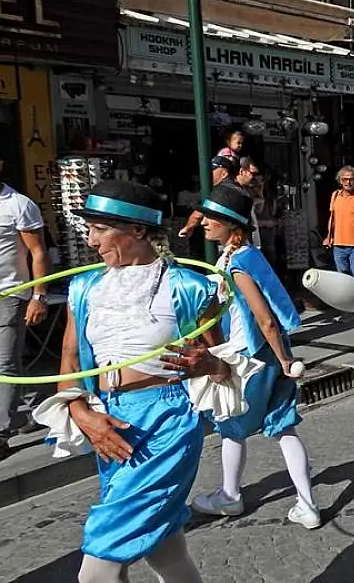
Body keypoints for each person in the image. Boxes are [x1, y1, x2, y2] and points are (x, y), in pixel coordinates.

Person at [50, 181, 230, 582]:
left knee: (98, 566)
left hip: (167, 422)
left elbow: (226, 368)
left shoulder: (190, 288)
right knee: (165, 548)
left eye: (100, 229)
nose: (91, 241)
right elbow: (71, 359)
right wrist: (81, 413)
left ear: (137, 231)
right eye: (89, 229)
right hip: (108, 420)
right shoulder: (84, 288)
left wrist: (209, 367)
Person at [190, 185, 320, 529]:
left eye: (212, 218)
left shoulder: (237, 263)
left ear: (232, 225)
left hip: (251, 356)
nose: (205, 223)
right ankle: (307, 505)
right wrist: (286, 359)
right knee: (283, 427)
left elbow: (264, 318)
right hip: (270, 355)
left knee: (231, 425)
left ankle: (230, 495)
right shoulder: (247, 254)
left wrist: (285, 360)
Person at [0, 148, 50, 463]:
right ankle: (31, 411)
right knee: (2, 362)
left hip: (9, 294)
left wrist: (39, 295)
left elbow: (37, 252)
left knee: (5, 366)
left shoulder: (18, 205)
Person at [178, 152, 260, 242]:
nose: (208, 174)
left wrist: (188, 228)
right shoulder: (236, 189)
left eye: (213, 170)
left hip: (231, 243)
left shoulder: (226, 190)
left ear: (223, 174)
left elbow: (198, 214)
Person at [323, 166, 354, 282]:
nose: (348, 182)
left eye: (351, 179)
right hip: (338, 244)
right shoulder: (335, 196)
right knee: (343, 277)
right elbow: (332, 218)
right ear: (340, 181)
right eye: (345, 179)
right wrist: (329, 236)